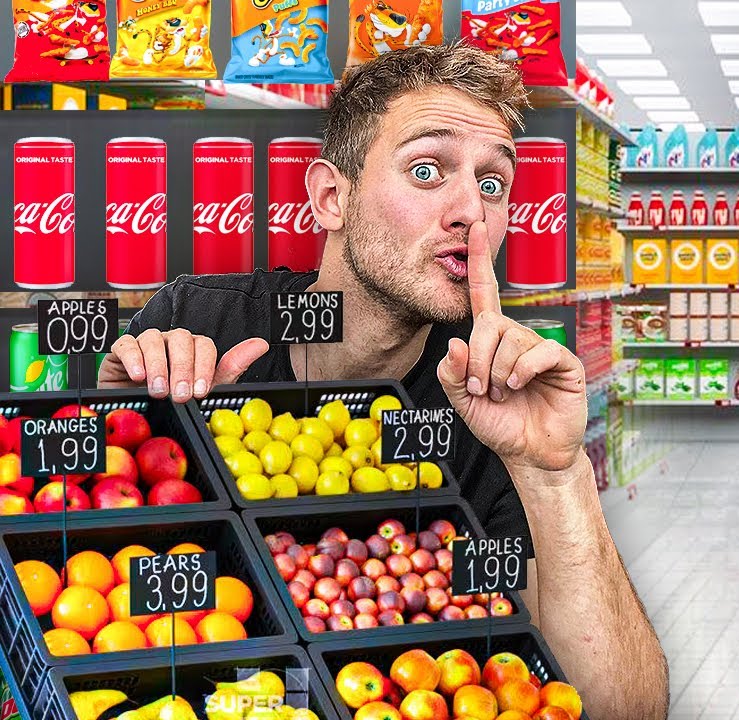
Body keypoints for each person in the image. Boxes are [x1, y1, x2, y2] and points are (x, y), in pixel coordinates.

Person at [99, 41, 669, 717]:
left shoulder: (490, 396)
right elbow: (83, 593)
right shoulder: (198, 318)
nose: (471, 212)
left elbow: (623, 709)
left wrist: (555, 472)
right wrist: (122, 418)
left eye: (493, 184)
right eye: (427, 170)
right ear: (331, 198)